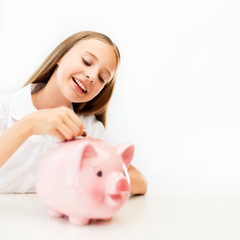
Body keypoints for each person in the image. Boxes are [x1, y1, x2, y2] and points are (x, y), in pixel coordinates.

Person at [0, 31, 147, 195]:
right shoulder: (4, 107)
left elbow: (140, 182)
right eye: (86, 61)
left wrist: (102, 164)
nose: (91, 76)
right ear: (60, 57)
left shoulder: (89, 128)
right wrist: (29, 125)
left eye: (102, 78)